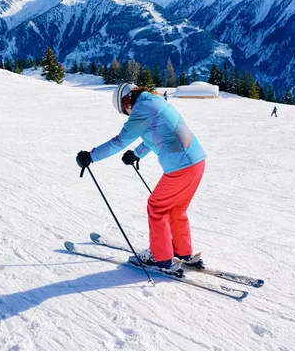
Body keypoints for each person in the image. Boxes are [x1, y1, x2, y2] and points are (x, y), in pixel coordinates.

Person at [77, 82, 206, 273]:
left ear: (126, 101)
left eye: (124, 111)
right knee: (177, 208)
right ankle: (183, 252)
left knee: (157, 207)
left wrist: (91, 156)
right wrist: (137, 154)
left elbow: (120, 141)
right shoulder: (155, 101)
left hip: (180, 166)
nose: (127, 114)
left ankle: (160, 257)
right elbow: (155, 134)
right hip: (197, 162)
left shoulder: (141, 108)